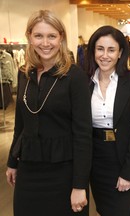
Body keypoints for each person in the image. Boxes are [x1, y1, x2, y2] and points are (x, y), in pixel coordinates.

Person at [5, 10, 92, 216]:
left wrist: (79, 185)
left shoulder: (75, 76)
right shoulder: (24, 72)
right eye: (39, 36)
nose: (46, 43)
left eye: (51, 36)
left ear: (61, 37)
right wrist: (12, 162)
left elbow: (83, 135)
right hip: (28, 169)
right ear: (30, 37)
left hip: (63, 172)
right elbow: (21, 124)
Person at [86, 25, 130, 216]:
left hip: (125, 157)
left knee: (122, 211)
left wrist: (129, 172)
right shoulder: (84, 82)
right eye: (100, 49)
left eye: (111, 50)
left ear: (120, 52)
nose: (105, 55)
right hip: (96, 160)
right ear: (93, 51)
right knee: (104, 210)